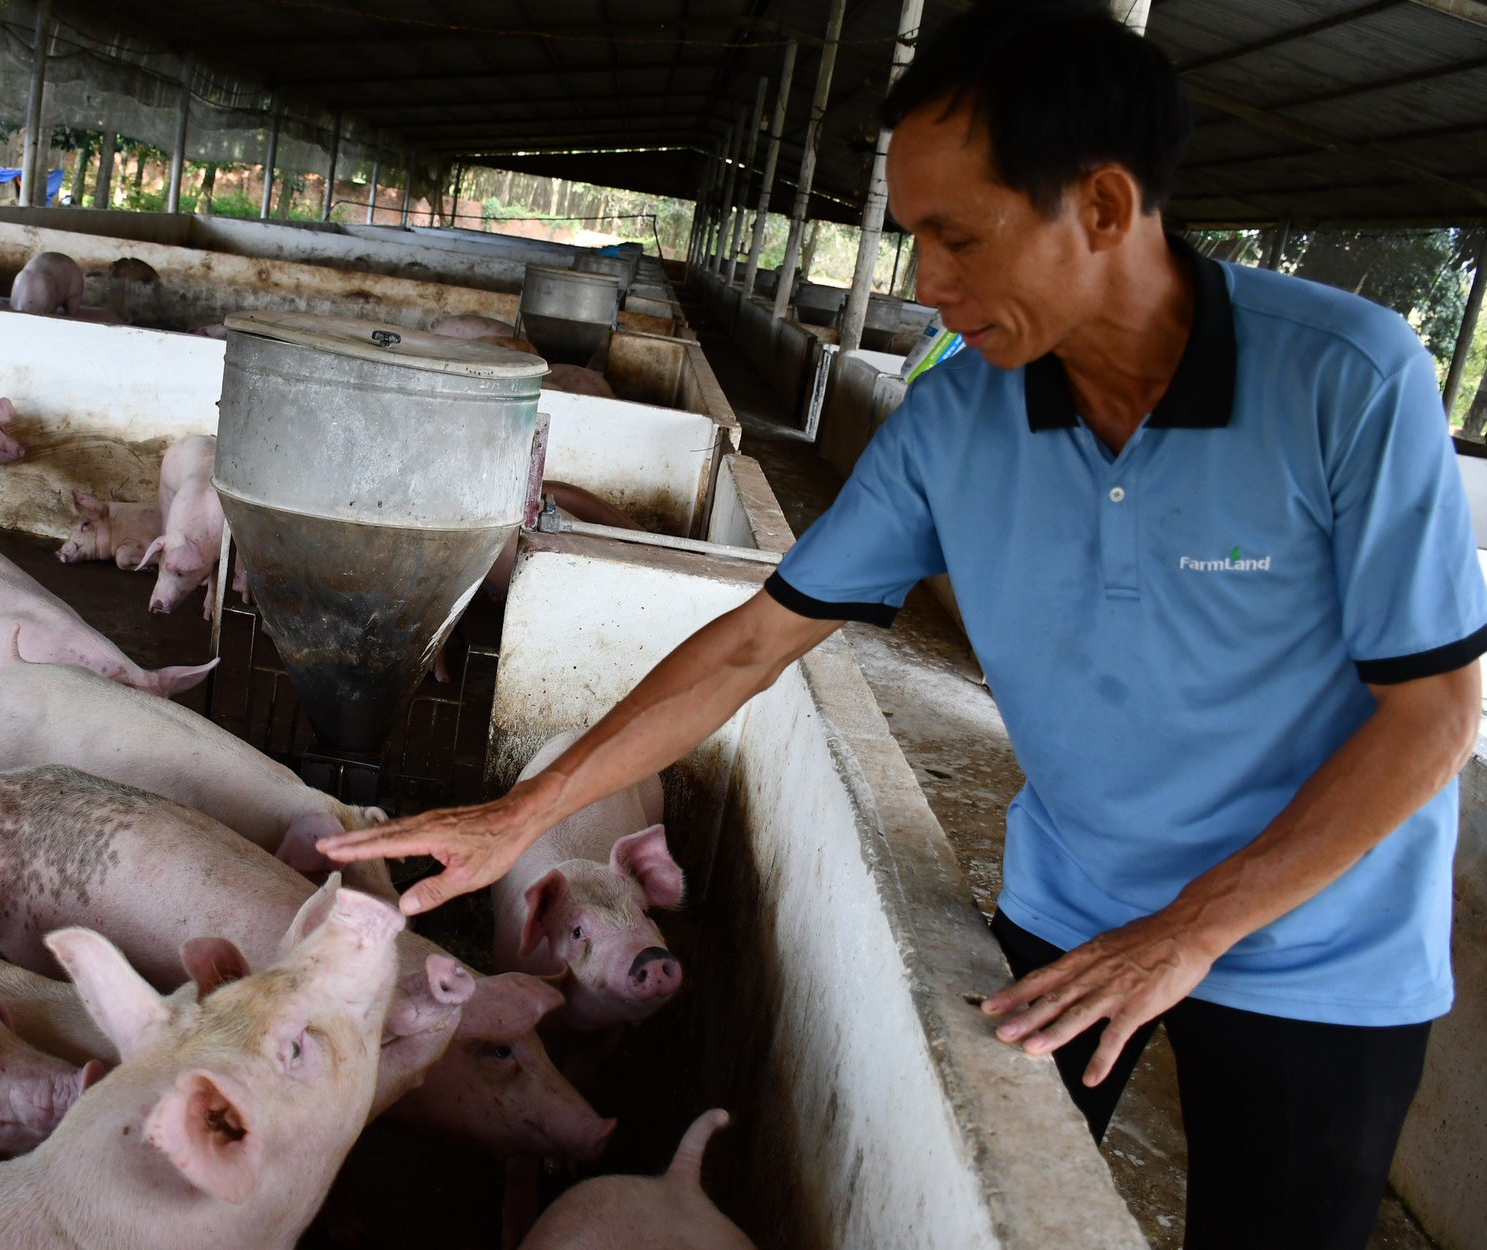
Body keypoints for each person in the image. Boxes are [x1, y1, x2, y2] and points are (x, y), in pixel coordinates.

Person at [322, 2, 1487, 1245]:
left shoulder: (1344, 380)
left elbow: (1430, 714)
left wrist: (1188, 932)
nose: (925, 284)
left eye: (958, 235)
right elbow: (753, 642)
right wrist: (520, 815)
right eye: (915, 233)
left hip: (1323, 944)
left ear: (1100, 207)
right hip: (1076, 896)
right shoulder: (954, 421)